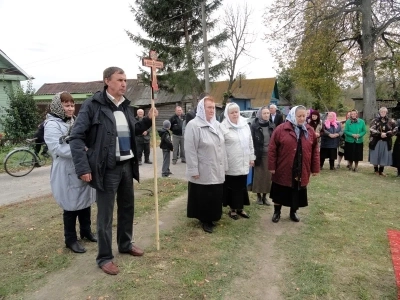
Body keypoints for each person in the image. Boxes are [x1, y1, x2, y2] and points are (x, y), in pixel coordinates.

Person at [69, 67, 158, 275]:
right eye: (120, 80)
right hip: (106, 169)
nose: (124, 84)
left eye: (125, 80)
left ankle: (125, 244)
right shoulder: (93, 105)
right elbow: (76, 138)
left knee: (127, 208)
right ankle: (104, 257)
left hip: (127, 166)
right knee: (105, 216)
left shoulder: (126, 106)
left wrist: (147, 120)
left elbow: (134, 129)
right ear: (107, 81)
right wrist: (83, 167)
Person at [44, 91, 96, 254]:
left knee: (84, 201)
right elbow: (57, 148)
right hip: (66, 170)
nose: (70, 108)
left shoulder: (73, 121)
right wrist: (83, 150)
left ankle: (86, 232)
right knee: (70, 205)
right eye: (66, 105)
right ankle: (71, 239)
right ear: (58, 107)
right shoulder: (52, 125)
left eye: (72, 105)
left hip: (80, 166)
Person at [268, 105, 320, 223]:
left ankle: (293, 212)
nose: (302, 118)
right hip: (283, 166)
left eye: (304, 116)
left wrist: (315, 168)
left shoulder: (309, 130)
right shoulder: (281, 129)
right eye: (299, 116)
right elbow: (272, 149)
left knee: (297, 191)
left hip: (301, 166)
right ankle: (277, 212)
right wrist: (272, 166)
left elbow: (315, 150)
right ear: (292, 115)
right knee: (279, 191)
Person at [184, 96, 226, 233]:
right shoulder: (194, 125)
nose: (212, 110)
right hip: (203, 167)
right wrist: (193, 169)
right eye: (209, 107)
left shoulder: (217, 125)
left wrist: (224, 165)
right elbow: (190, 150)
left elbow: (222, 147)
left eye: (213, 107)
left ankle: (213, 217)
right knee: (204, 194)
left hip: (216, 166)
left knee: (215, 194)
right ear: (202, 109)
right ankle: (204, 220)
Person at [220, 103, 255, 219]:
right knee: (232, 186)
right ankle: (232, 209)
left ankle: (240, 208)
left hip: (244, 161)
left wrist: (252, 157)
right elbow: (220, 147)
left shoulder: (244, 125)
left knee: (242, 186)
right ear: (227, 114)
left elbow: (250, 142)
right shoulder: (223, 127)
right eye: (232, 112)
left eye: (236, 112)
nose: (235, 114)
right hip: (231, 162)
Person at [250, 106, 275, 205]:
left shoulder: (272, 125)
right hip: (258, 154)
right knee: (259, 176)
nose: (266, 115)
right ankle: (258, 197)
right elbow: (250, 140)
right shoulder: (254, 125)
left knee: (267, 177)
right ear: (260, 114)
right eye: (264, 113)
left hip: (269, 155)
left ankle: (265, 197)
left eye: (268, 113)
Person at [369, 107, 397, 176]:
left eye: (384, 112)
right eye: (382, 112)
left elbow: (395, 129)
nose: (383, 113)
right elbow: (371, 130)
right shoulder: (375, 120)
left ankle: (381, 171)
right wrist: (380, 134)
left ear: (386, 113)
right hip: (376, 141)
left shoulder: (391, 121)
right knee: (376, 155)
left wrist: (387, 134)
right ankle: (376, 170)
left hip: (386, 141)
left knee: (383, 155)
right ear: (379, 112)